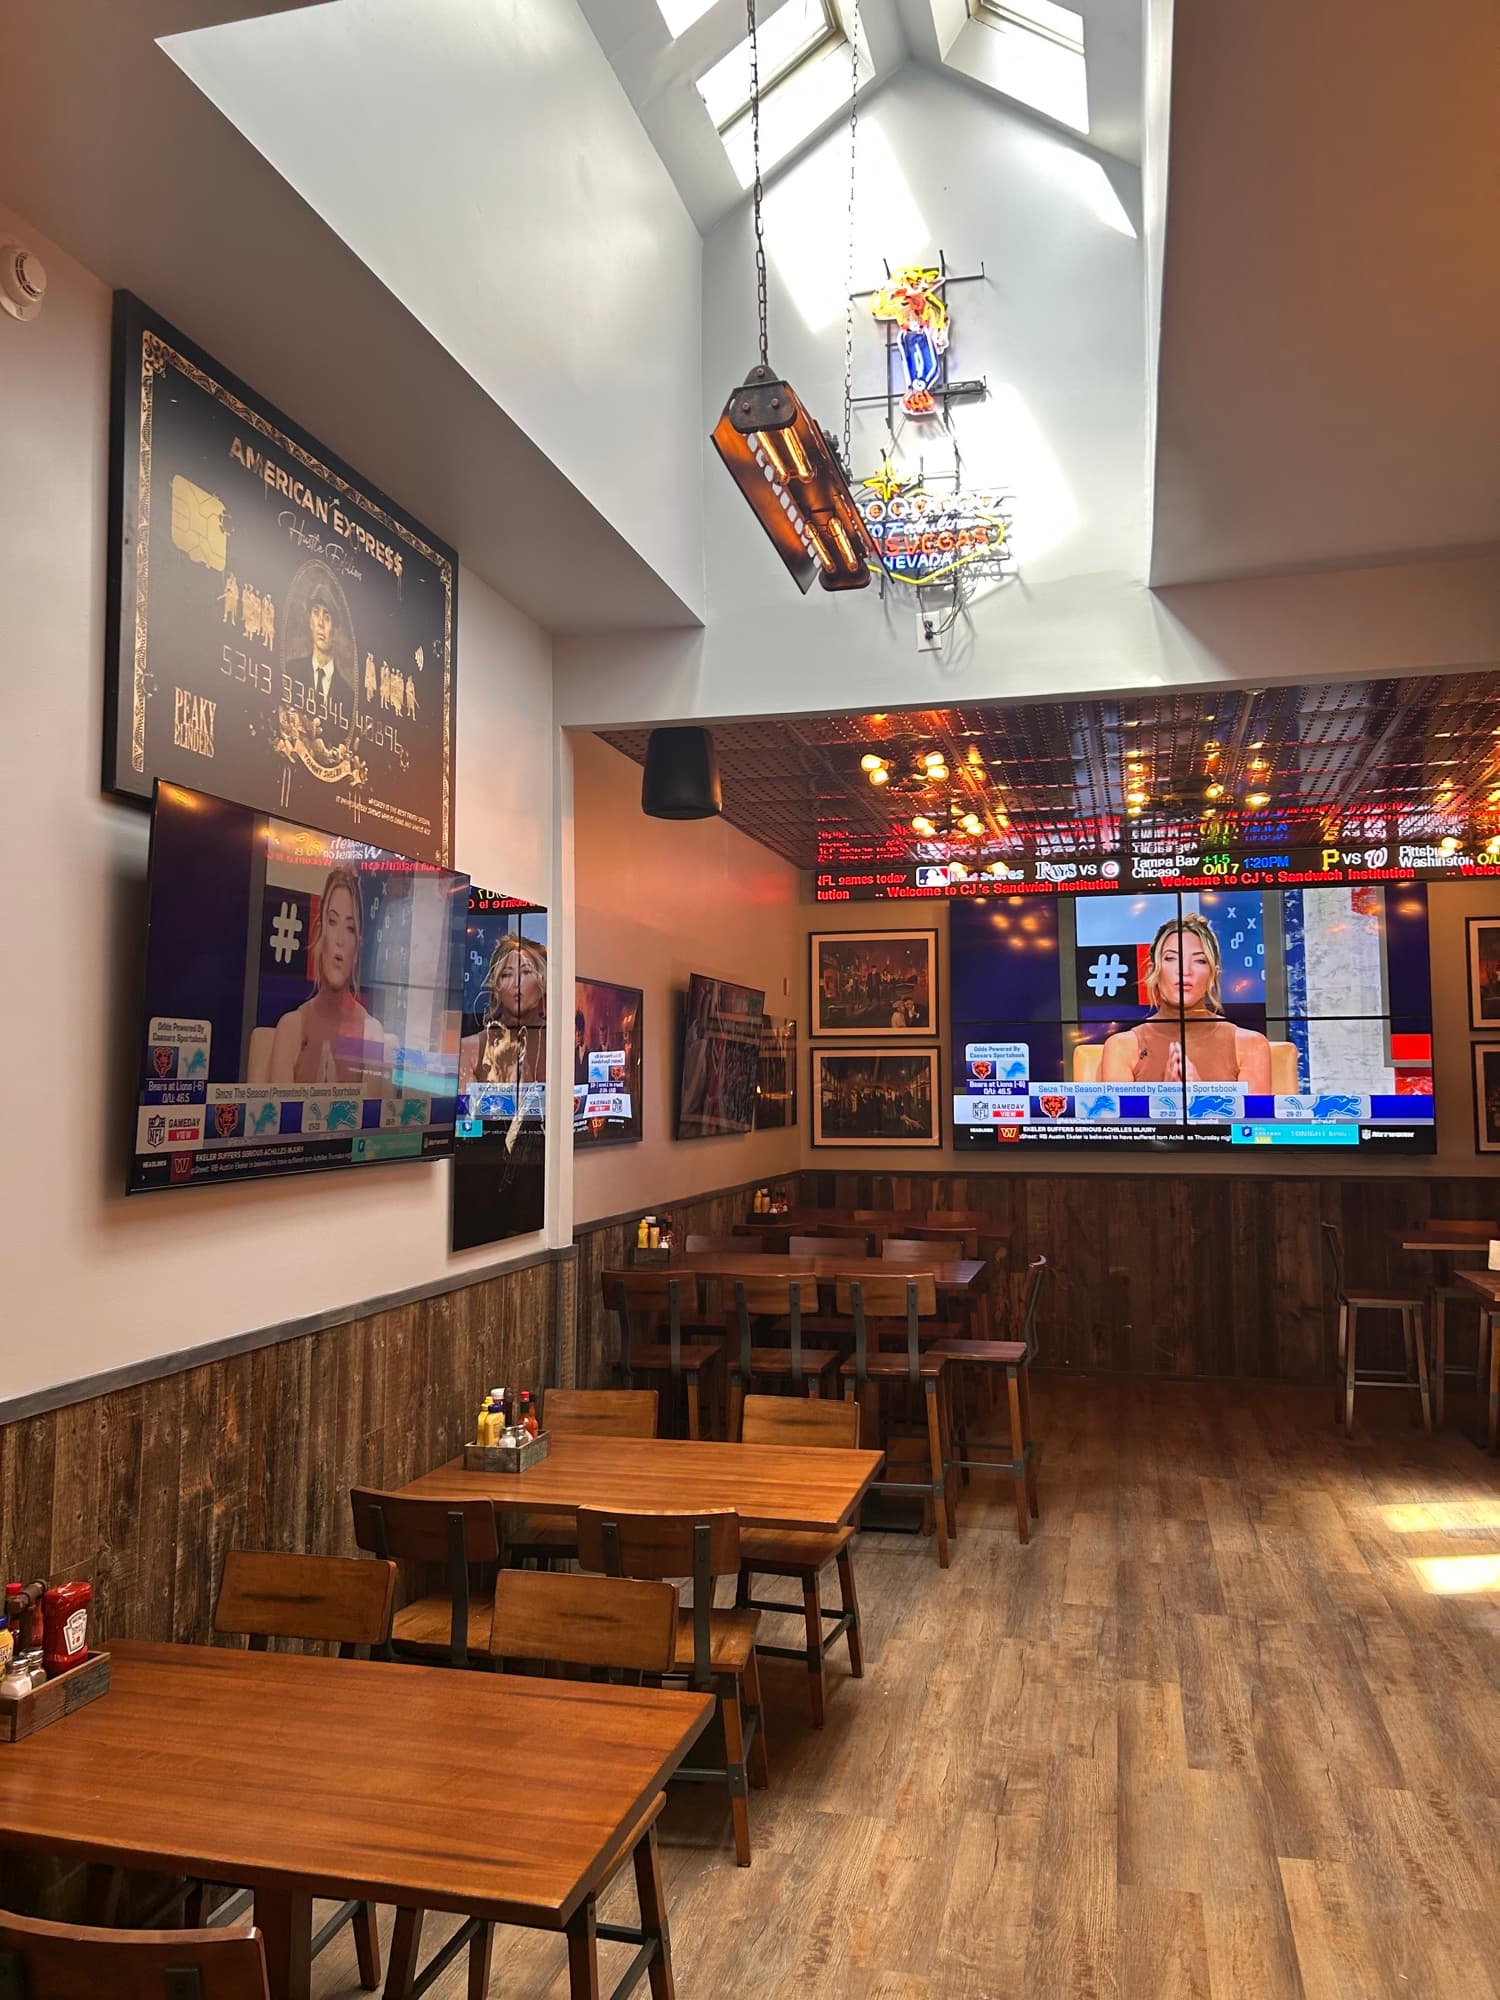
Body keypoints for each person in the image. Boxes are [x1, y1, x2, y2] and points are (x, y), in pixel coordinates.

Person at [1100, 913, 1271, 1089]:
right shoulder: (1122, 1047)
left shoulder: (1250, 1045)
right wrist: (1165, 1097)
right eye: (1171, 958)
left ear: (1212, 975)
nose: (1185, 970)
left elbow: (1255, 1117)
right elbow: (1116, 1116)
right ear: (1154, 971)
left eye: (1199, 960)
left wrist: (1199, 1096)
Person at [269, 866, 386, 1087]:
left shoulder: (372, 1034)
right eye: (332, 922)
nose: (340, 939)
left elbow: (371, 1118)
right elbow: (276, 1118)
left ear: (358, 946)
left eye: (350, 928)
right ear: (320, 933)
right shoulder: (291, 1027)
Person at [458, 932, 548, 1088]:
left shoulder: (564, 1045)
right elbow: (463, 1110)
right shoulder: (470, 1049)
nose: (516, 983)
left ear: (543, 981)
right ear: (495, 985)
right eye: (506, 974)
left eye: (526, 972)